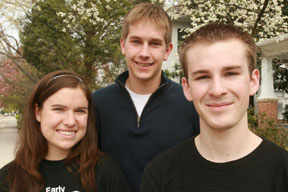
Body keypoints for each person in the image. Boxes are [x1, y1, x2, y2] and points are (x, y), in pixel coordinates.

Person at [140, 23, 288, 192]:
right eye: (203, 76)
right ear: (187, 88)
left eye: (230, 73)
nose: (217, 90)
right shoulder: (159, 175)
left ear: (253, 82)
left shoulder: (283, 173)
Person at [92, 2, 199, 191]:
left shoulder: (190, 104)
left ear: (167, 50)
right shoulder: (97, 104)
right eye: (136, 42)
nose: (144, 53)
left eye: (154, 44)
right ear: (123, 45)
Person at [0, 70, 129, 192]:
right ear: (37, 112)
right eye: (59, 109)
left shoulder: (105, 172)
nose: (70, 121)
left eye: (80, 111)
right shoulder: (9, 178)